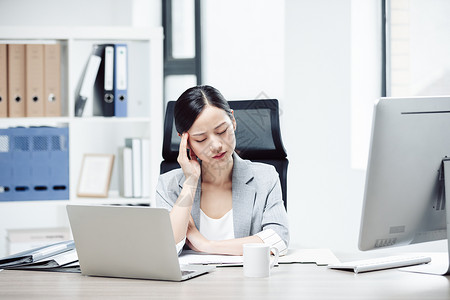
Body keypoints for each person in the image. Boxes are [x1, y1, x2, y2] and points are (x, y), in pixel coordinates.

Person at [156, 85, 289, 256]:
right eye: (201, 139)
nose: (217, 145)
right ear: (186, 141)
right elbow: (167, 248)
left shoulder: (265, 178)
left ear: (233, 121)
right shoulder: (169, 185)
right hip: (192, 283)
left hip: (247, 280)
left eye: (221, 131)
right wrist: (190, 181)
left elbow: (278, 239)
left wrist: (207, 245)